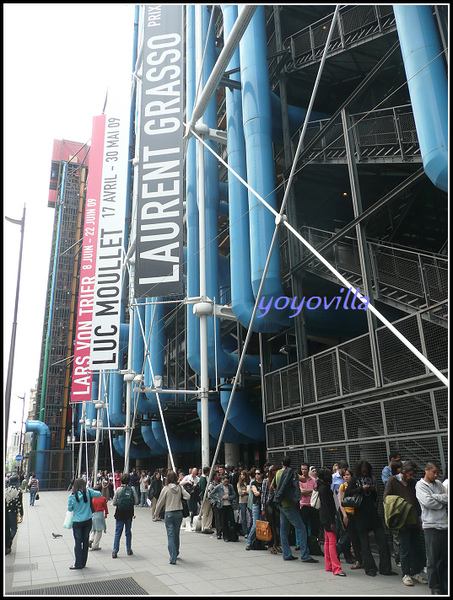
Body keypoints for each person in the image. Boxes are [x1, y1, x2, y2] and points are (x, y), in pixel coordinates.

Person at [343, 459, 395, 577]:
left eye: (366, 471)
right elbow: (347, 494)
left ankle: (385, 568)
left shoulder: (373, 478)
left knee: (382, 542)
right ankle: (370, 568)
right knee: (364, 543)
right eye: (363, 471)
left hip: (372, 513)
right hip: (360, 515)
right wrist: (362, 489)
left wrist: (371, 490)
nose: (365, 473)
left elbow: (376, 496)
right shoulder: (355, 480)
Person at [383, 460, 426, 587]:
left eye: (412, 475)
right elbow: (387, 498)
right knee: (405, 547)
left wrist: (420, 519)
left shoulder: (413, 483)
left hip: (413, 519)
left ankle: (414, 572)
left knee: (416, 547)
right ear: (404, 472)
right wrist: (399, 505)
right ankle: (406, 573)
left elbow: (417, 501)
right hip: (402, 520)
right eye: (410, 474)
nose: (411, 477)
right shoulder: (392, 481)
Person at [272, 457, 318, 563]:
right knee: (301, 527)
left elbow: (272, 486)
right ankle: (305, 555)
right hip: (290, 504)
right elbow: (304, 479)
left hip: (281, 504)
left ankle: (286, 554)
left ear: (282, 463)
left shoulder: (278, 473)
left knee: (283, 529)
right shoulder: (292, 472)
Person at [415, 461, 448, 595]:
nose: (435, 475)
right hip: (431, 526)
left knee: (445, 558)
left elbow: (447, 497)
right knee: (433, 559)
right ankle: (434, 586)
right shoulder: (420, 485)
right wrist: (441, 502)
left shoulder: (440, 484)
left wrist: (435, 497)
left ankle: (445, 584)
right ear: (426, 470)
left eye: (437, 473)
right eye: (433, 472)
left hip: (444, 525)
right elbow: (427, 502)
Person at [155, 470, 191, 564]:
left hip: (169, 513)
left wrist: (156, 513)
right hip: (179, 513)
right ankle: (176, 552)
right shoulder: (179, 487)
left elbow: (160, 501)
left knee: (170, 535)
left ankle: (172, 556)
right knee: (176, 534)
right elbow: (188, 496)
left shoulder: (166, 488)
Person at [67, 477, 101, 569]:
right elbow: (99, 494)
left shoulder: (72, 496)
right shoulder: (88, 492)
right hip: (88, 520)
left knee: (78, 542)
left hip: (77, 522)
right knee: (85, 541)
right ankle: (84, 562)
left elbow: (70, 508)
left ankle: (78, 563)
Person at [318, 467, 346, 576]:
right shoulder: (325, 489)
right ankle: (336, 568)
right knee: (332, 542)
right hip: (328, 518)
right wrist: (332, 522)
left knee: (328, 541)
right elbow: (328, 507)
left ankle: (329, 565)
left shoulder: (322, 487)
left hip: (324, 517)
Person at [339, 468, 363, 570]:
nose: (346, 477)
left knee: (359, 537)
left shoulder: (357, 486)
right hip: (348, 513)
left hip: (357, 513)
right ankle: (358, 559)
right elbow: (341, 502)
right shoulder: (342, 487)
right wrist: (344, 515)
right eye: (344, 475)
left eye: (348, 475)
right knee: (352, 537)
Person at [331, 460, 354, 563]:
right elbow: (332, 493)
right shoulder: (334, 478)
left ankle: (346, 553)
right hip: (338, 507)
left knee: (347, 530)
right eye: (342, 471)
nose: (344, 474)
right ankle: (340, 550)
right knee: (342, 530)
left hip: (349, 507)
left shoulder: (350, 478)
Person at [111, 472, 139, 558]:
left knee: (118, 532)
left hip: (120, 513)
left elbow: (114, 502)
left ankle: (115, 551)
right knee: (128, 531)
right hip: (129, 513)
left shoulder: (119, 489)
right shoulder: (132, 489)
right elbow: (136, 501)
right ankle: (129, 549)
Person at [297, 463, 320, 550]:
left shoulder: (313, 480)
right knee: (304, 527)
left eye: (305, 469)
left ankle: (314, 545)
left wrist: (310, 491)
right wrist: (311, 491)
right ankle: (304, 546)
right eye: (302, 469)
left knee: (314, 527)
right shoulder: (299, 481)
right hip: (303, 505)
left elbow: (316, 491)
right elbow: (301, 491)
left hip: (313, 505)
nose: (303, 471)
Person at [209, 476, 237, 542]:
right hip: (222, 505)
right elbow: (211, 494)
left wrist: (228, 497)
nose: (226, 483)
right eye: (225, 481)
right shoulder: (219, 487)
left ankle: (233, 535)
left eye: (227, 482)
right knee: (224, 521)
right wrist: (218, 499)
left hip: (229, 504)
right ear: (222, 480)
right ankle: (225, 536)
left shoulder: (230, 486)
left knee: (232, 520)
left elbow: (234, 494)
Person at [261, 465, 281, 553]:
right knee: (270, 525)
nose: (275, 472)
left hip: (276, 505)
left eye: (277, 470)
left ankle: (277, 544)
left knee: (277, 525)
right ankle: (270, 544)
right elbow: (263, 495)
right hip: (269, 504)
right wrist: (263, 508)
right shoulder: (266, 481)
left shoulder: (278, 480)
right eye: (273, 470)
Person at [245, 468, 264, 550]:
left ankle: (262, 542)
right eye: (256, 473)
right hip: (256, 505)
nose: (257, 475)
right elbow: (256, 493)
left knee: (263, 524)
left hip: (263, 505)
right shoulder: (253, 483)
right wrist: (262, 493)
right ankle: (248, 542)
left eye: (258, 473)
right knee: (255, 524)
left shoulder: (264, 482)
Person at [5, 475, 24, 555]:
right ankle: (8, 544)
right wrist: (21, 513)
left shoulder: (5, 490)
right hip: (13, 512)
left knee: (6, 528)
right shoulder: (18, 491)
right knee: (14, 528)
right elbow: (20, 504)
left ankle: (6, 545)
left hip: (5, 512)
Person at [89, 484, 108, 551]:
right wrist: (106, 513)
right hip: (100, 514)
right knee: (99, 530)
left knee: (93, 529)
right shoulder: (103, 498)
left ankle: (91, 539)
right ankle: (95, 545)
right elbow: (105, 507)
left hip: (93, 514)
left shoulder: (93, 499)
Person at [199, 466, 214, 534]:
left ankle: (207, 526)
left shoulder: (202, 478)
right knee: (206, 512)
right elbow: (203, 489)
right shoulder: (203, 479)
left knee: (209, 512)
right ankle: (205, 526)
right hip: (206, 498)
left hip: (205, 497)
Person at [237, 470, 251, 538]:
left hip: (248, 501)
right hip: (242, 501)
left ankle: (250, 530)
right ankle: (245, 532)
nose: (242, 476)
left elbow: (249, 492)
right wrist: (245, 492)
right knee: (243, 517)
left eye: (243, 475)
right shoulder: (239, 483)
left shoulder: (248, 482)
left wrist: (245, 491)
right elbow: (240, 492)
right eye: (241, 475)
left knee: (251, 516)